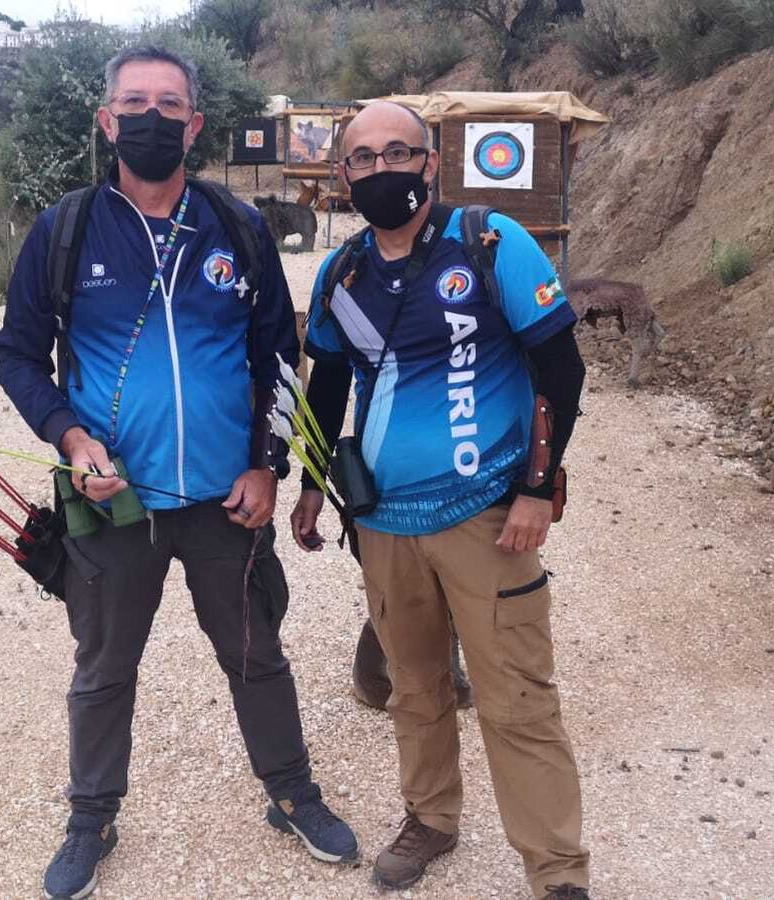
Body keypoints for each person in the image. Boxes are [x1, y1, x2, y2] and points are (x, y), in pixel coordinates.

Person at [0, 45, 358, 900]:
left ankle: (292, 793)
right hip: (113, 506)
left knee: (254, 652)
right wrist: (71, 439)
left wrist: (269, 466)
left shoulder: (237, 227)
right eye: (134, 102)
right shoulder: (66, 230)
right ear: (106, 118)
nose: (151, 117)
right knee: (104, 665)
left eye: (170, 104)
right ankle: (91, 818)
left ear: (195, 123)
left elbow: (277, 357)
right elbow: (18, 357)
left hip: (222, 501)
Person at [291, 101, 592, 900]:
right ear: (342, 175)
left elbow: (562, 370)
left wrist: (535, 487)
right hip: (383, 525)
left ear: (430, 164)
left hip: (486, 517)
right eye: (363, 158)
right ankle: (431, 818)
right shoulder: (341, 274)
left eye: (399, 153)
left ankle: (557, 871)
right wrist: (313, 485)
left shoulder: (489, 242)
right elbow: (326, 381)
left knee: (517, 699)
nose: (381, 169)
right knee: (415, 689)